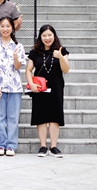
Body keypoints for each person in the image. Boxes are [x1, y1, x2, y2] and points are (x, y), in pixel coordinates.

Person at [26, 24, 70, 158]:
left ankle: (54, 146)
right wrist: (31, 84)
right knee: (41, 116)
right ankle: (43, 146)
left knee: (55, 116)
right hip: (40, 88)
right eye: (44, 35)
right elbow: (28, 70)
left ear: (54, 36)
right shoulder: (34, 52)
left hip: (56, 86)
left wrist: (60, 57)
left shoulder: (62, 50)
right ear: (40, 37)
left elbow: (66, 69)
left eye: (49, 35)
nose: (47, 38)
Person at [0, 17, 26, 157]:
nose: (5, 29)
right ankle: (1, 144)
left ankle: (11, 145)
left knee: (13, 118)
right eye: (2, 26)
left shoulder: (18, 46)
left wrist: (16, 58)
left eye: (8, 26)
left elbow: (18, 67)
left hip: (14, 87)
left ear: (12, 28)